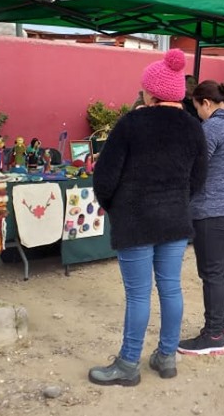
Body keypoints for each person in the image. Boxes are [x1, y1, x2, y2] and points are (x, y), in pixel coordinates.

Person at [89, 48, 208, 386]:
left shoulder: (131, 124)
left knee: (138, 295)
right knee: (171, 288)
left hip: (135, 220)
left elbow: (104, 177)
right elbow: (199, 179)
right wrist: (177, 201)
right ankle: (166, 356)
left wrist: (114, 206)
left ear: (151, 92)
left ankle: (129, 363)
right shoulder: (193, 127)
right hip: (174, 220)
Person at [178, 79, 224, 356]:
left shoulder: (211, 128)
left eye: (197, 108)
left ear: (206, 103)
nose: (198, 114)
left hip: (212, 210)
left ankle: (213, 335)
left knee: (212, 274)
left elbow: (194, 169)